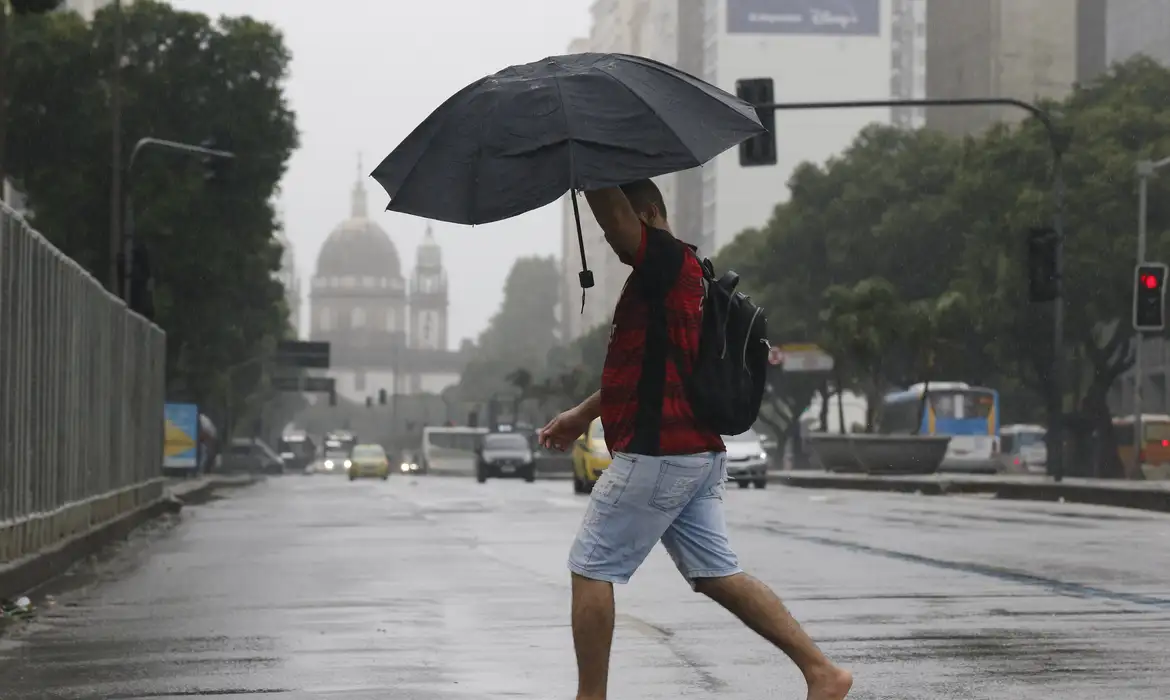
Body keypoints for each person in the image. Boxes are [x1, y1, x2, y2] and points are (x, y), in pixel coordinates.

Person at [539, 180, 853, 700]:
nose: (618, 238)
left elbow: (620, 230)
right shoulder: (683, 276)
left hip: (660, 452)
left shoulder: (661, 260)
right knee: (716, 573)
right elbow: (647, 373)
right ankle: (823, 672)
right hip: (694, 452)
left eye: (628, 220)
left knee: (590, 567)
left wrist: (586, 163)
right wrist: (579, 414)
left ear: (648, 214)